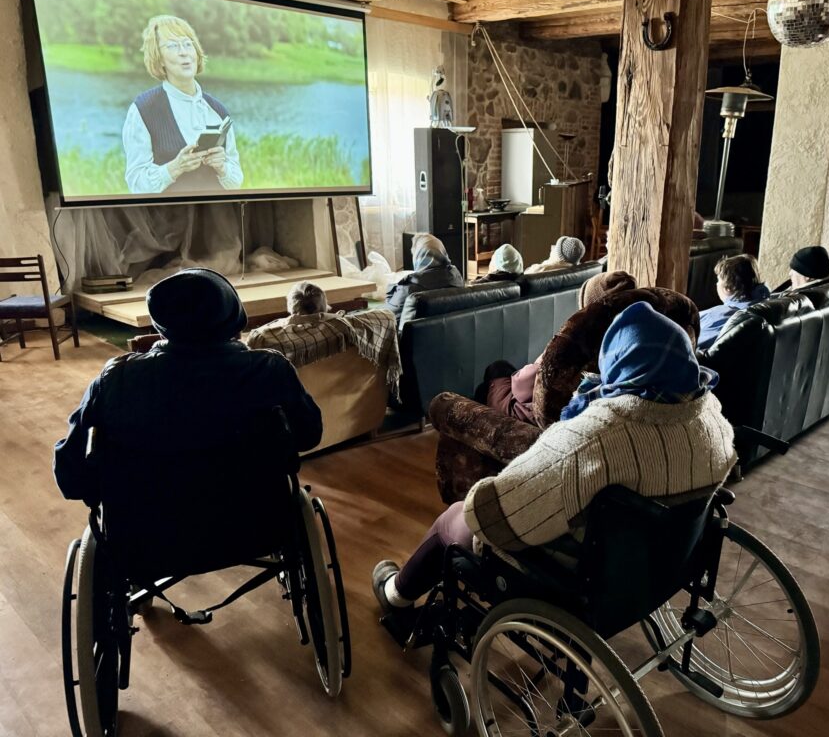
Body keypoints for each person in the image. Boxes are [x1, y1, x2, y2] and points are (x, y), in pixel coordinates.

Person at [372, 301, 737, 618]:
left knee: (456, 517)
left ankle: (395, 595)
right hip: (663, 559)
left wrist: (478, 500)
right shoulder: (711, 415)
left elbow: (505, 509)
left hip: (586, 571)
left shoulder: (601, 432)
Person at [53, 269, 321, 504]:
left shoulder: (115, 379)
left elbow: (71, 476)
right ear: (234, 316)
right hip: (257, 522)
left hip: (149, 535)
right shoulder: (269, 369)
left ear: (161, 324)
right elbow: (308, 435)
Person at [478, 271, 637, 426]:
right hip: (580, 409)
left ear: (589, 308)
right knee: (502, 369)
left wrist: (538, 361)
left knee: (494, 372)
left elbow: (522, 388)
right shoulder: (635, 341)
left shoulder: (573, 346)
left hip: (532, 414)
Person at [123, 15, 243, 195]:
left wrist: (222, 168)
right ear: (159, 58)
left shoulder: (218, 110)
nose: (183, 52)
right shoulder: (143, 109)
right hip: (166, 221)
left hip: (218, 220)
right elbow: (136, 184)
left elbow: (236, 183)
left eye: (188, 44)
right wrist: (174, 168)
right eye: (172, 46)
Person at [697, 254, 769, 350]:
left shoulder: (718, 316)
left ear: (729, 288)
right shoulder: (767, 306)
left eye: (718, 280)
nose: (716, 284)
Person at [385, 234, 465, 316]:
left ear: (419, 256)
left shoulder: (409, 290)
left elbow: (388, 314)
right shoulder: (457, 279)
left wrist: (392, 290)